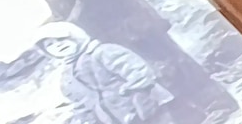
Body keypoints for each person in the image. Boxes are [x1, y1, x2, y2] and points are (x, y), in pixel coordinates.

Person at [0, 0, 236, 120]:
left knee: (170, 64)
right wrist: (54, 28)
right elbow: (58, 6)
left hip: (132, 24)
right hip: (103, 34)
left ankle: (219, 105)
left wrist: (70, 25)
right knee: (145, 81)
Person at [34, 23, 174, 124]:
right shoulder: (67, 78)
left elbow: (140, 74)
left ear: (75, 36)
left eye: (61, 39)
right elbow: (81, 105)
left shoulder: (104, 52)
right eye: (50, 45)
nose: (58, 45)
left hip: (147, 110)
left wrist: (139, 102)